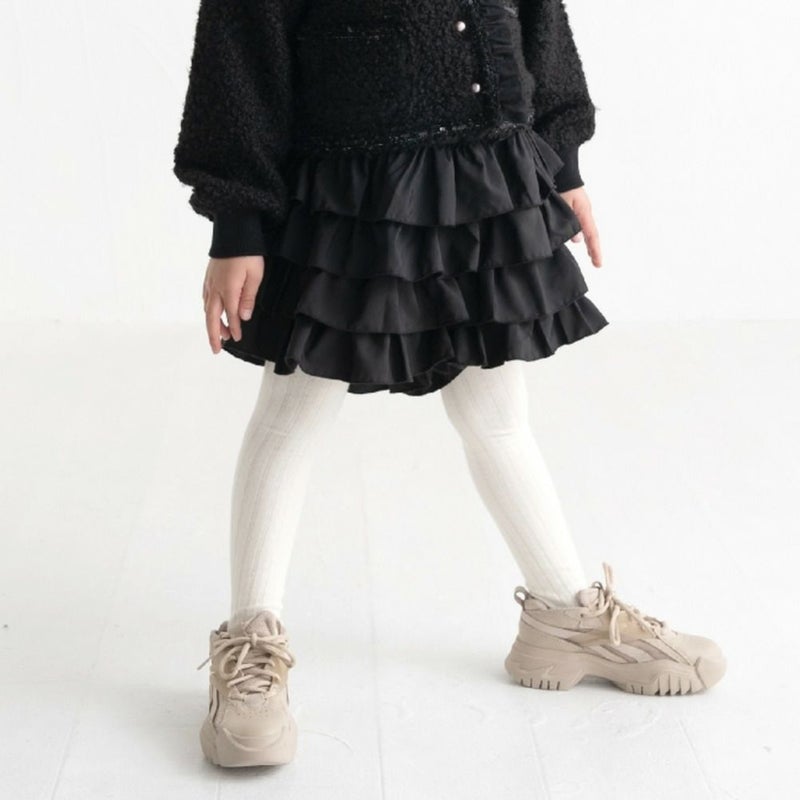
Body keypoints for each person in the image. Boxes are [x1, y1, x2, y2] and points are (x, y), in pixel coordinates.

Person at [174, 0, 727, 769]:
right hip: (347, 191)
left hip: (486, 176)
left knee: (497, 416)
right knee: (291, 414)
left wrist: (559, 162)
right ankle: (251, 644)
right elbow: (240, 48)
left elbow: (538, 23)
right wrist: (237, 220)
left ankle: (564, 616)